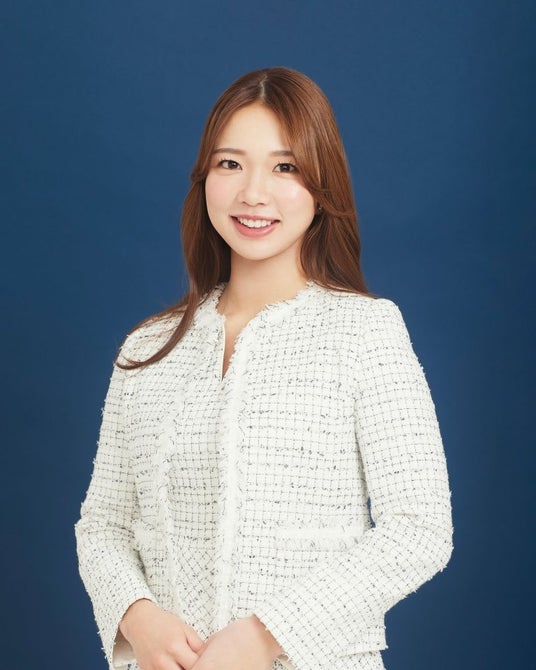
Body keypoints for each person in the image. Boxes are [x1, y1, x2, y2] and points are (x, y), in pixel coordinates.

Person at [75, 67, 453, 670]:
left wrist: (268, 633)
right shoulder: (148, 349)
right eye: (230, 164)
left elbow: (419, 529)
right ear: (204, 178)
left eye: (285, 167)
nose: (254, 193)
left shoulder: (365, 332)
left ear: (321, 186)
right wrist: (138, 617)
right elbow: (103, 526)